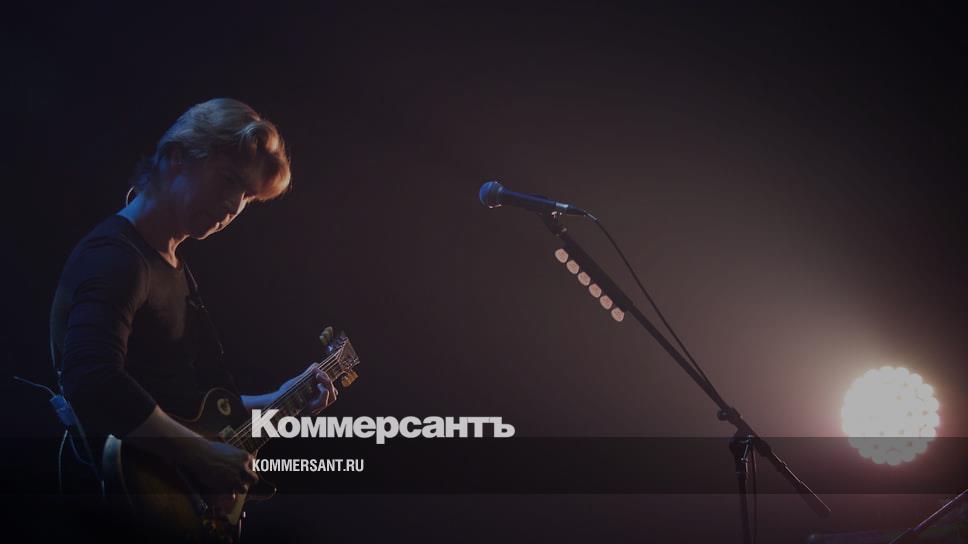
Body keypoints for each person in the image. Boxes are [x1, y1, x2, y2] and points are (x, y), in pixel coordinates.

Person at [49, 98, 337, 506]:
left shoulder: (170, 265)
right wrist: (202, 456)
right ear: (176, 157)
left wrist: (279, 400)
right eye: (228, 179)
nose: (234, 206)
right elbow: (91, 380)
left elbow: (180, 408)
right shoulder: (117, 258)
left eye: (248, 196)